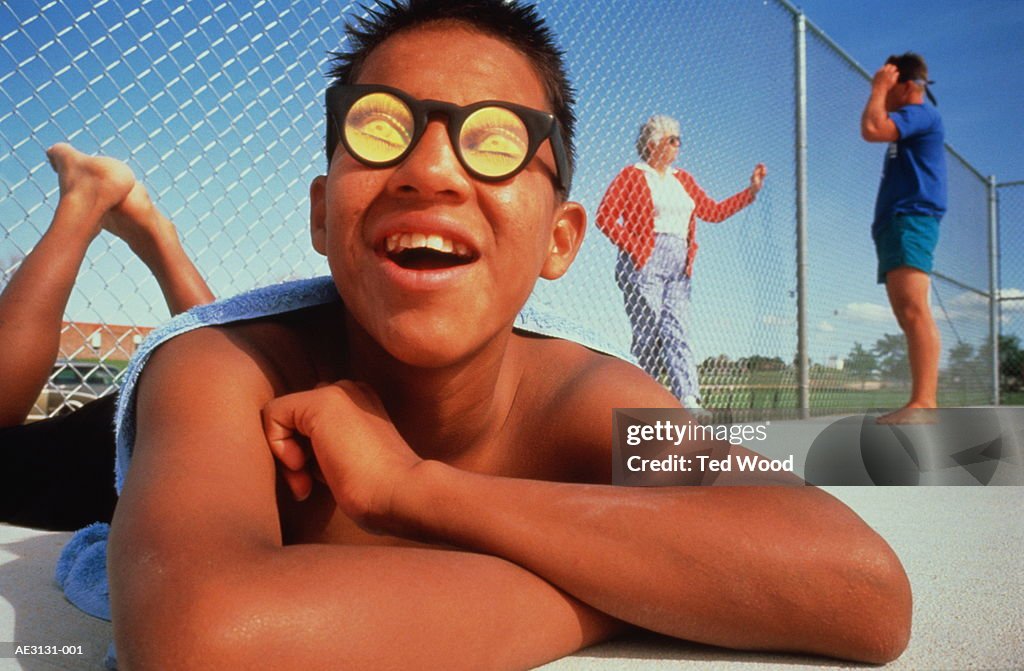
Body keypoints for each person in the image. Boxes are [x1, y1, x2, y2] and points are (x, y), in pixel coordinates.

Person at [22, 1, 909, 668]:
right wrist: (644, 583)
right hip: (131, 442)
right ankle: (82, 210)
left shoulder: (581, 394)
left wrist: (419, 489)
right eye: (379, 129)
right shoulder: (222, 369)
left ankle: (161, 244)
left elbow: (862, 588)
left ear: (560, 239)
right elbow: (202, 637)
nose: (431, 167)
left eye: (496, 139)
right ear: (323, 216)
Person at [0, 144, 214, 530]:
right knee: (235, 393)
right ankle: (149, 235)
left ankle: (98, 211)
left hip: (161, 451)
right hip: (221, 431)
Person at [596, 114, 766, 416]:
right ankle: (640, 400)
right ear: (653, 144)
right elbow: (605, 216)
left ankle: (688, 400)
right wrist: (636, 249)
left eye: (679, 140)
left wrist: (750, 192)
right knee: (648, 334)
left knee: (677, 330)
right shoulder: (632, 175)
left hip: (680, 264)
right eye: (673, 140)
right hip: (643, 261)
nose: (679, 145)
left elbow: (712, 212)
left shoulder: (683, 179)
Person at [860, 53, 946, 424]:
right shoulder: (911, 122)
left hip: (913, 218)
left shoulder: (921, 114)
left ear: (908, 86)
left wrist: (878, 87)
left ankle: (925, 402)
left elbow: (872, 129)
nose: (884, 94)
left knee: (914, 308)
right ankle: (921, 402)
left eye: (890, 87)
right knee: (906, 310)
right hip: (898, 222)